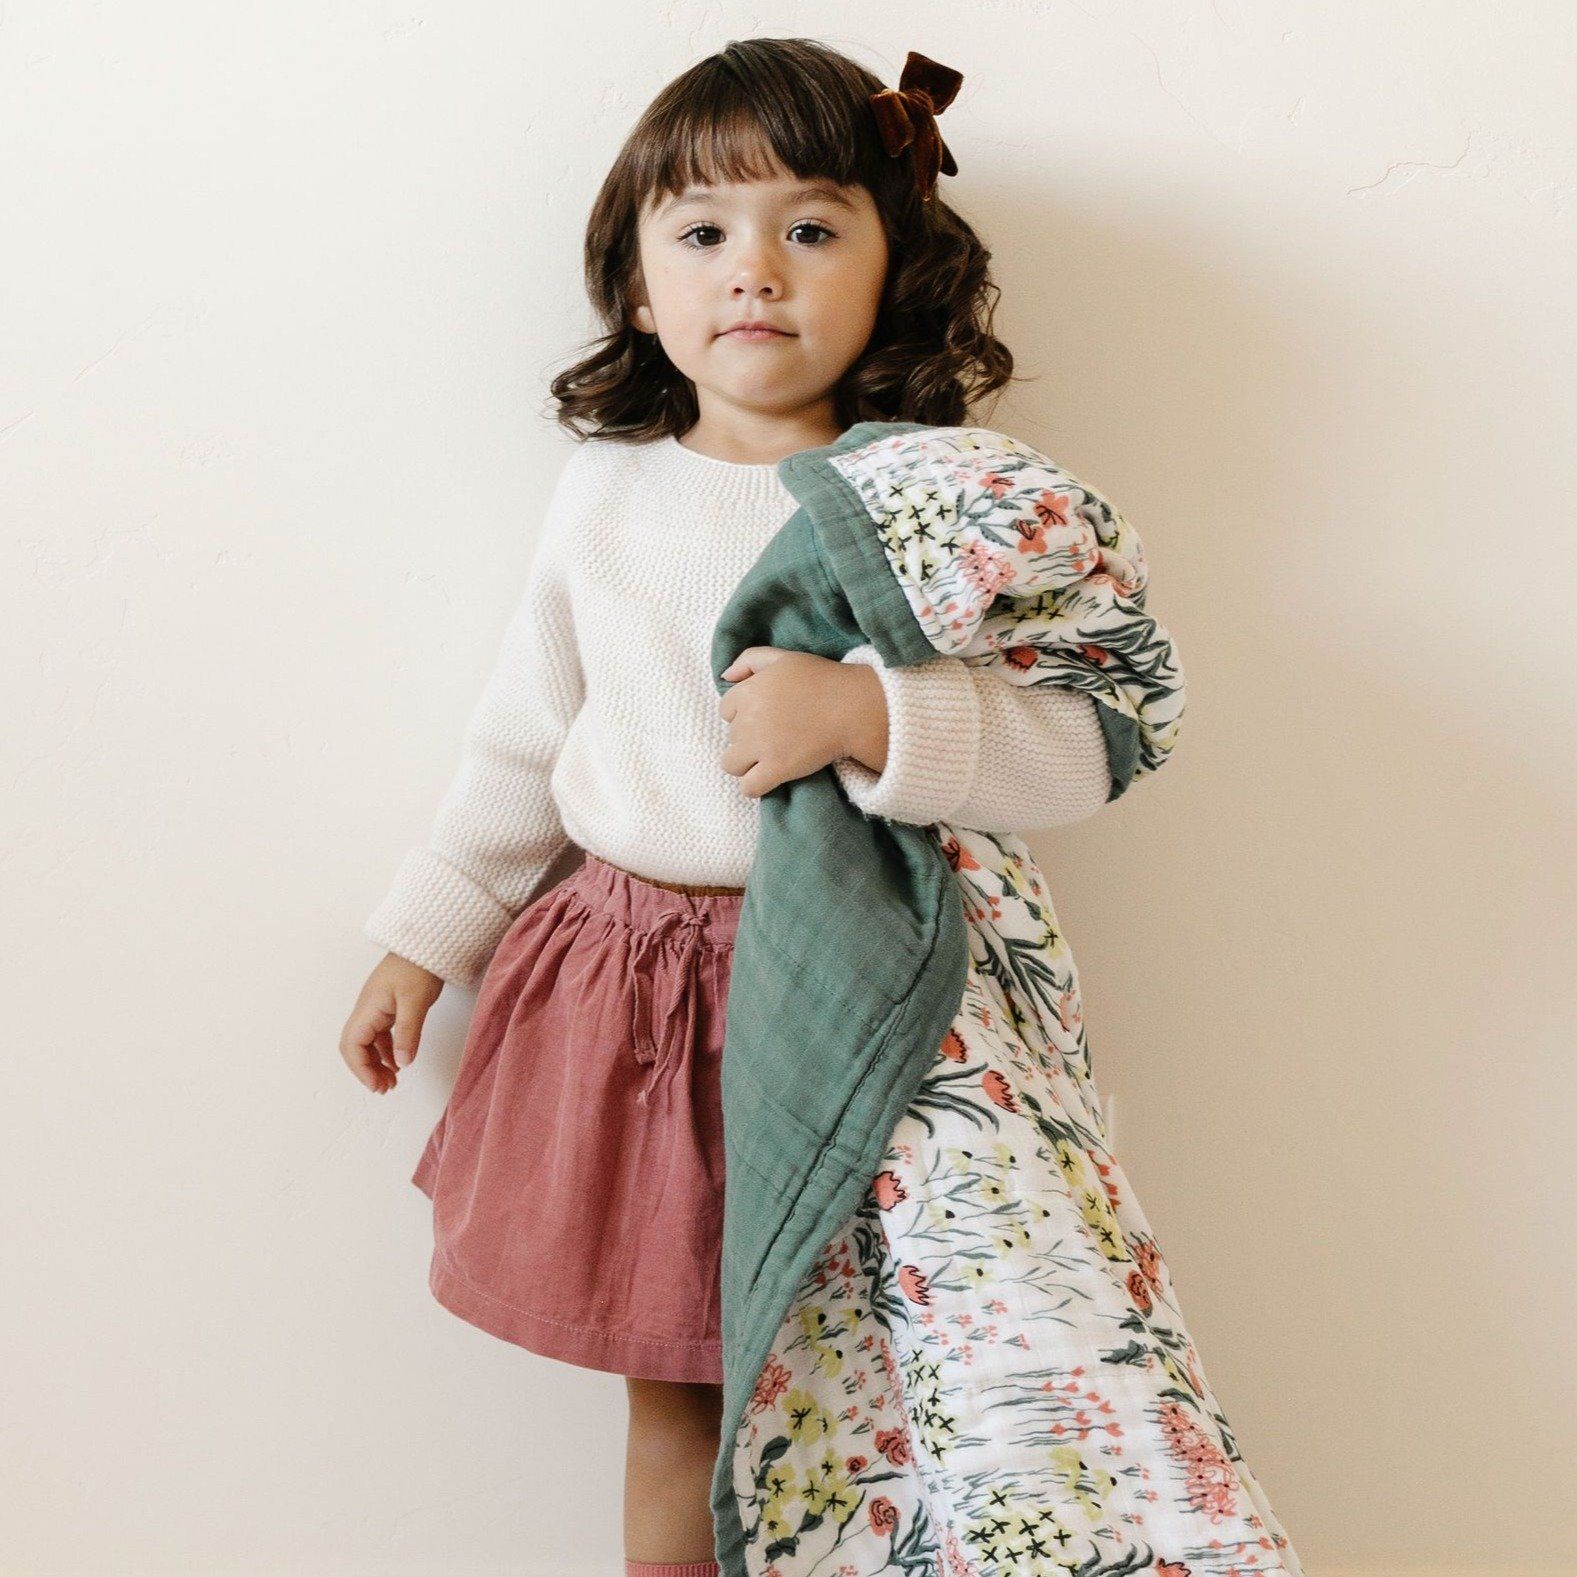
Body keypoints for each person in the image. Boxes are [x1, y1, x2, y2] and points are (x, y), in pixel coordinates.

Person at [338, 39, 1120, 1577]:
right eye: (701, 233)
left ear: (895, 266)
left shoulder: (934, 498)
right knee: (686, 1393)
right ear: (636, 285)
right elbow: (523, 739)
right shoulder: (609, 494)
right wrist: (420, 937)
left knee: (880, 1388)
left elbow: (1075, 751)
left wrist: (875, 715)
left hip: (856, 996)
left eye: (810, 228)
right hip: (630, 998)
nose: (752, 270)